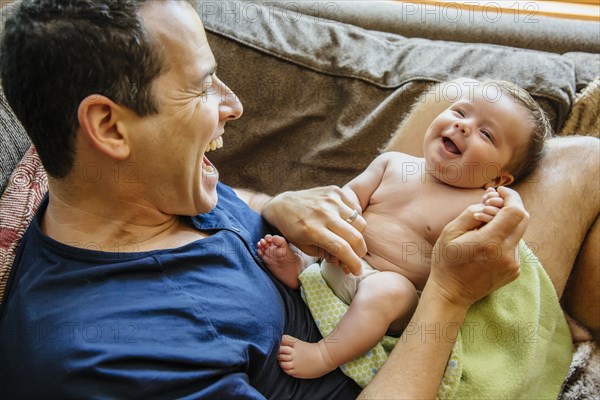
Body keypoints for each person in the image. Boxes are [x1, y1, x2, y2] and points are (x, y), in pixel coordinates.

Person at [0, 1, 594, 399]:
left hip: (348, 288)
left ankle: (568, 322)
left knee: (555, 145)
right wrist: (449, 293)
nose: (232, 105)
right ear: (108, 127)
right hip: (397, 362)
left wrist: (280, 202)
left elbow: (240, 206)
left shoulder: (145, 191)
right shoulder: (111, 358)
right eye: (203, 85)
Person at [257, 81, 551, 378]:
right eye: (460, 112)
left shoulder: (476, 205)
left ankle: (325, 353)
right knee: (310, 237)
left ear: (499, 179)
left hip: (394, 294)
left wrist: (499, 209)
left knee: (389, 290)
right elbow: (344, 202)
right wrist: (332, 238)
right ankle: (302, 269)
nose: (463, 126)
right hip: (339, 261)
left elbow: (482, 255)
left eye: (486, 134)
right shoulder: (392, 164)